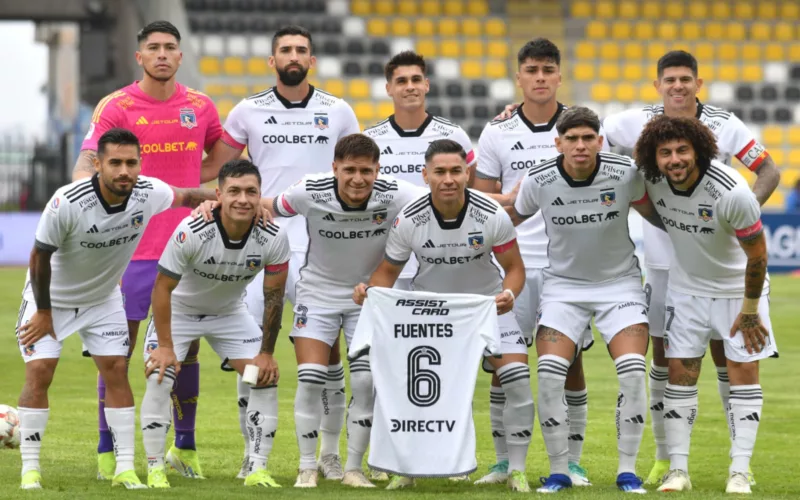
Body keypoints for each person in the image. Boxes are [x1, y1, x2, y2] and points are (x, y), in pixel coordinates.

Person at [602, 50, 780, 485]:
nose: (678, 86)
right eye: (670, 80)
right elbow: (590, 135)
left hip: (726, 268)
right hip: (671, 268)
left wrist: (737, 219)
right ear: (657, 85)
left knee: (730, 360)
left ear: (698, 84)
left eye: (686, 79)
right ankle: (668, 460)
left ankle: (741, 467)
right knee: (670, 363)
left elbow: (769, 171)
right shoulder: (634, 125)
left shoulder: (727, 133)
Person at [15, 128, 216, 490]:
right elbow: (38, 257)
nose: (124, 171)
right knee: (40, 371)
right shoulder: (68, 201)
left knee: (116, 371)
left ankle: (124, 468)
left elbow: (186, 195)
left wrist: (219, 202)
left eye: (131, 163)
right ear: (97, 164)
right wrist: (44, 312)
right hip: (52, 299)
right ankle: (31, 469)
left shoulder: (148, 192)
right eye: (116, 163)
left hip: (104, 298)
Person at [203, 25, 361, 479]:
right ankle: (253, 457)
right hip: (262, 239)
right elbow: (219, 170)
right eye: (285, 50)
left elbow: (357, 169)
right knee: (251, 349)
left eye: (302, 50)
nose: (294, 56)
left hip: (322, 243)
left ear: (312, 60)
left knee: (327, 352)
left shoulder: (338, 110)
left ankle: (329, 457)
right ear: (272, 61)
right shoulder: (247, 110)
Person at [73, 20, 223, 480]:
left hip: (189, 246)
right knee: (118, 350)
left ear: (180, 56)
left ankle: (185, 447)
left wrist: (194, 188)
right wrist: (84, 197)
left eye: (170, 48)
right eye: (153, 48)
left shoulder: (200, 106)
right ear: (139, 57)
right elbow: (88, 162)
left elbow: (220, 154)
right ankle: (107, 451)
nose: (162, 54)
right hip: (131, 250)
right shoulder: (117, 105)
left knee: (186, 349)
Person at [234, 133, 420, 488]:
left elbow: (451, 198)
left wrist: (508, 201)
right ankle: (308, 466)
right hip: (316, 296)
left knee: (365, 382)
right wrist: (208, 203)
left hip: (367, 299)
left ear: (377, 170)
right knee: (311, 377)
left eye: (366, 171)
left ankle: (352, 468)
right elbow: (268, 204)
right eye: (349, 170)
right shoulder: (308, 191)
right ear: (334, 168)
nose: (357, 179)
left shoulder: (397, 193)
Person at [354, 138, 534, 493]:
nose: (449, 179)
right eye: (440, 172)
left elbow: (515, 268)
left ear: (467, 173)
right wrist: (368, 291)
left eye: (456, 171)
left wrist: (509, 293)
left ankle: (516, 469)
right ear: (426, 175)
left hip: (484, 306)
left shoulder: (491, 214)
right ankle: (409, 468)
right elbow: (388, 272)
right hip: (431, 313)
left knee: (517, 379)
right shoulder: (411, 218)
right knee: (417, 393)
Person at [511, 107, 665, 494]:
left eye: (588, 138)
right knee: (548, 375)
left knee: (632, 371)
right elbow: (510, 217)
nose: (581, 146)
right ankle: (560, 471)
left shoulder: (625, 173)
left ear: (599, 140)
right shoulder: (539, 179)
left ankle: (627, 472)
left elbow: (658, 215)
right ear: (558, 142)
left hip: (620, 286)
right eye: (572, 139)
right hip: (563, 288)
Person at [470, 38, 597, 486]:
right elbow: (481, 197)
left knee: (569, 364)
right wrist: (514, 197)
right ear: (519, 76)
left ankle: (573, 461)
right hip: (512, 264)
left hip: (568, 265)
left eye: (547, 69)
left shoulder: (581, 126)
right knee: (506, 364)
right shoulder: (496, 131)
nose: (539, 77)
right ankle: (504, 461)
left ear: (559, 75)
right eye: (531, 70)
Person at [633, 115, 777, 494]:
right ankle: (678, 470)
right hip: (686, 291)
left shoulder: (734, 193)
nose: (674, 159)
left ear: (700, 151)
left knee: (742, 375)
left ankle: (740, 471)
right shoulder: (651, 179)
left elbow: (759, 256)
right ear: (654, 156)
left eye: (682, 150)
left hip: (738, 293)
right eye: (665, 153)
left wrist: (749, 310)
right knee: (680, 374)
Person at [140, 160, 290, 489]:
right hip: (179, 313)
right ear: (218, 195)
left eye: (252, 192)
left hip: (229, 315)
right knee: (160, 375)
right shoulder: (192, 231)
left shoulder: (273, 236)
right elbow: (161, 289)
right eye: (234, 191)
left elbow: (274, 298)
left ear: (260, 196)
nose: (243, 199)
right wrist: (165, 347)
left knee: (260, 377)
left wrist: (266, 352)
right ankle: (155, 468)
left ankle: (256, 468)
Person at [365, 50, 477, 296]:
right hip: (387, 259)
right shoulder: (370, 140)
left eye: (416, 80)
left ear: (426, 85)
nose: (410, 87)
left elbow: (472, 190)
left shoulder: (455, 135)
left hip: (442, 258)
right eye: (401, 81)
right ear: (388, 88)